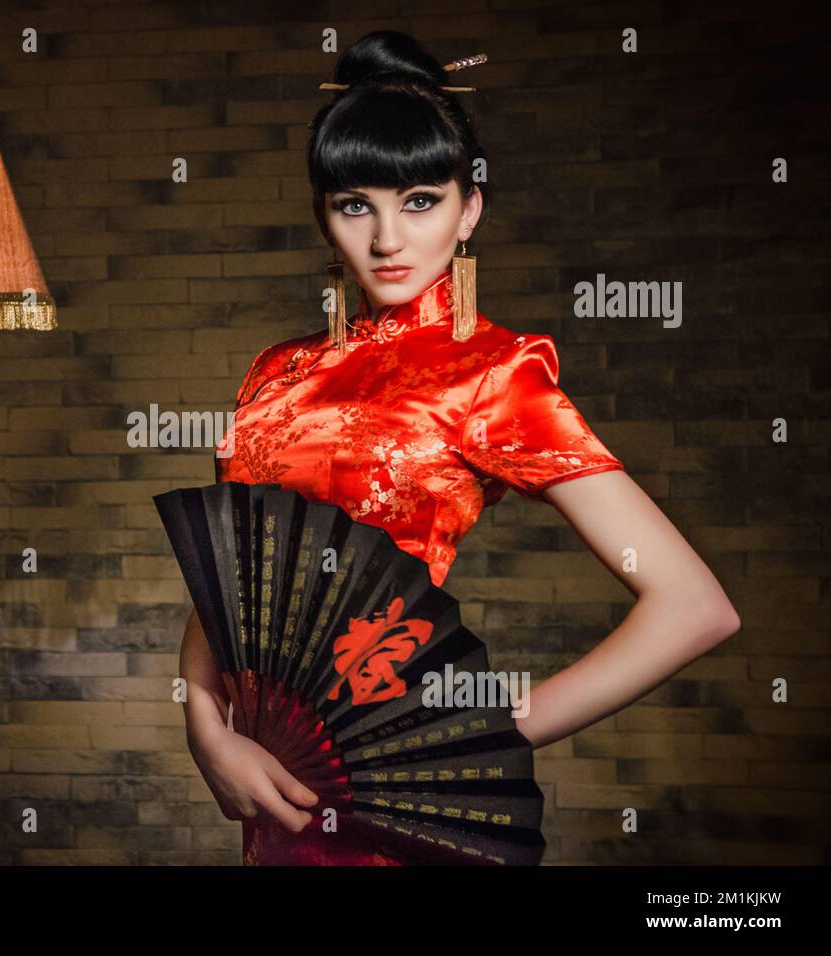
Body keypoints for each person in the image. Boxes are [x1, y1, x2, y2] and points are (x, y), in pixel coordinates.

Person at [178, 30, 741, 866]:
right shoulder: (275, 371)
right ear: (323, 215)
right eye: (354, 204)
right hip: (265, 781)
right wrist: (205, 734)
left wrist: (481, 736)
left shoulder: (492, 374)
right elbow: (231, 580)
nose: (386, 240)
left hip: (386, 780)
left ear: (468, 209)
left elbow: (695, 607)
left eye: (418, 201)